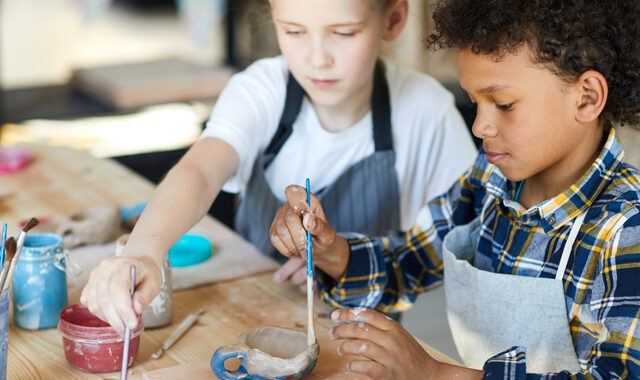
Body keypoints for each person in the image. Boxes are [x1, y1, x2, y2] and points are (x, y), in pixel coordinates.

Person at [270, 0, 640, 378]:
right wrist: (330, 249)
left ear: (587, 98)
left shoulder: (627, 229)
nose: (480, 126)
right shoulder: (489, 180)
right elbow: (408, 263)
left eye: (503, 103)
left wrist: (437, 374)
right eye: (475, 102)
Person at [80, 0, 476, 333]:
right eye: (294, 31)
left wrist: (338, 263)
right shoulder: (261, 90)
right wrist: (143, 253)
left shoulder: (427, 112)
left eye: (344, 33)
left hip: (363, 344)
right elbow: (199, 173)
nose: (317, 58)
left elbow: (461, 240)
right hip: (245, 321)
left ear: (392, 20)